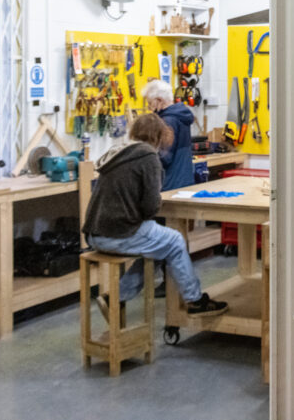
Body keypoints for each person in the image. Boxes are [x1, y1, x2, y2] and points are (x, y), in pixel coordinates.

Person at [82, 112, 227, 315]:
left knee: (161, 246)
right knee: (175, 241)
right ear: (160, 136)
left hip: (94, 234)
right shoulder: (148, 157)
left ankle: (115, 298)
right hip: (118, 233)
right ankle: (194, 301)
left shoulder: (119, 153)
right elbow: (150, 207)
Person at [141, 79, 197, 190]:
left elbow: (164, 157)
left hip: (170, 184)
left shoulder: (167, 121)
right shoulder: (181, 115)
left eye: (150, 103)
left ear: (159, 100)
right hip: (184, 180)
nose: (149, 107)